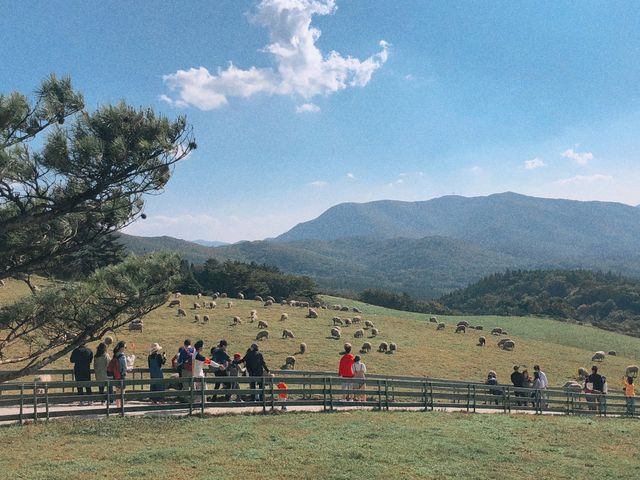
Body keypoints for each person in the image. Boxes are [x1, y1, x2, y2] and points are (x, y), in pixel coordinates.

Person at [109, 341, 128, 409]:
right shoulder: (122, 356)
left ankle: (117, 406)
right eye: (125, 347)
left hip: (115, 375)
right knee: (122, 392)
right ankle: (122, 407)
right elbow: (125, 367)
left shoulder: (115, 355)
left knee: (117, 391)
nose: (125, 348)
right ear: (122, 348)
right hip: (122, 375)